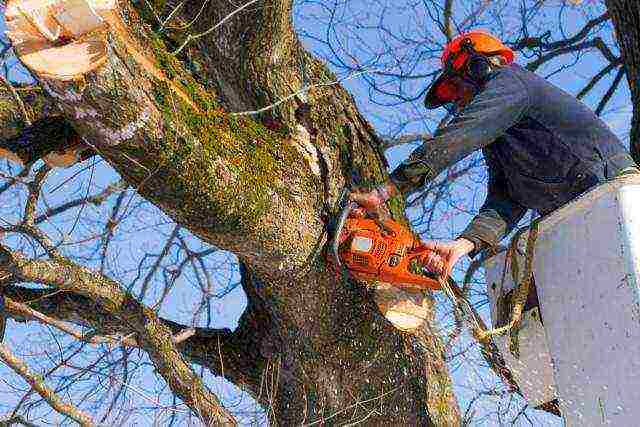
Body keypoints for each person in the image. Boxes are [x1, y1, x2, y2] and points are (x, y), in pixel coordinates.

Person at [352, 30, 638, 278]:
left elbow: (458, 136)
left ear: (480, 68)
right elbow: (506, 199)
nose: (458, 101)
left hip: (613, 192)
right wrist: (463, 244)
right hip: (580, 219)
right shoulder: (501, 139)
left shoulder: (512, 82)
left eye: (456, 87)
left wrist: (385, 191)